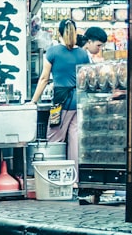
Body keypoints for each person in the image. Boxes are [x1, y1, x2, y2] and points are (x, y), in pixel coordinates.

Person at [30, 19, 89, 188]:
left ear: (59, 33)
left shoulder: (53, 52)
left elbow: (43, 78)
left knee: (54, 138)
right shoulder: (83, 54)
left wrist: (33, 101)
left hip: (61, 101)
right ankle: (74, 181)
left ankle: (52, 179)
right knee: (74, 140)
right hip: (79, 101)